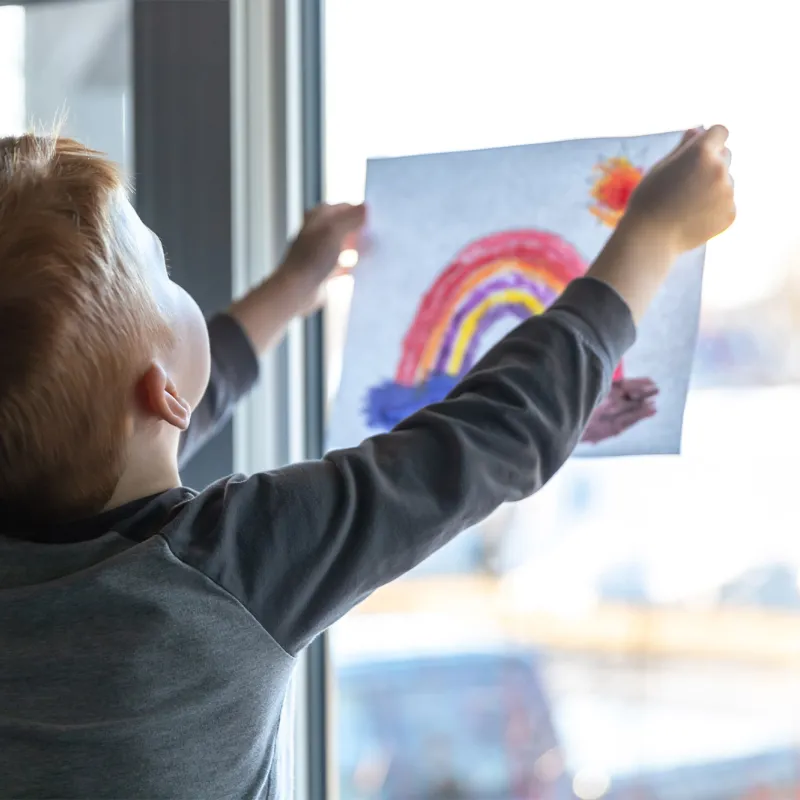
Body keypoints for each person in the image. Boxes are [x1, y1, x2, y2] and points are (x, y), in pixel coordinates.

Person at [0, 126, 734, 798]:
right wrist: (652, 235)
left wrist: (291, 287)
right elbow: (490, 436)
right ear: (162, 394)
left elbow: (142, 411)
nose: (179, 281)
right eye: (166, 274)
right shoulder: (229, 568)